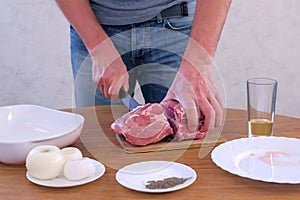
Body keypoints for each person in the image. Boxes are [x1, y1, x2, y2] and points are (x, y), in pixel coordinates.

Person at [55, 0, 232, 133]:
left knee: (188, 141)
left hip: (175, 21)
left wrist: (198, 65)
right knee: (96, 142)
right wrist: (97, 46)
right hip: (94, 22)